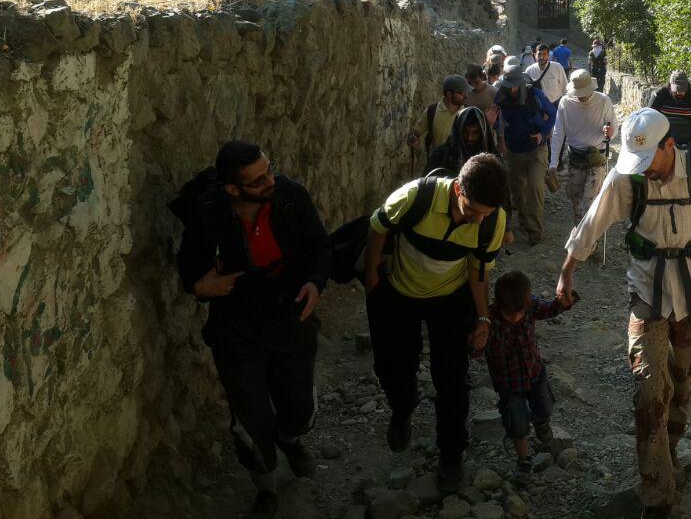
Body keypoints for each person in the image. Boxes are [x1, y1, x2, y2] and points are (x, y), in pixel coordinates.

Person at [556, 109, 691, 519]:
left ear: (670, 145)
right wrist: (567, 272)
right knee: (649, 388)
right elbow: (592, 223)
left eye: (650, 160)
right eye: (639, 162)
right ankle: (657, 495)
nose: (645, 169)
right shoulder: (627, 177)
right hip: (647, 290)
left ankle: (668, 453)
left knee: (682, 382)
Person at [172, 141, 331, 517]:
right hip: (237, 327)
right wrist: (200, 286)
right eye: (258, 180)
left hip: (291, 317)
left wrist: (314, 283)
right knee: (249, 417)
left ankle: (289, 438)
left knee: (299, 408)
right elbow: (189, 268)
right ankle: (266, 487)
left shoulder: (290, 197)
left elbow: (319, 246)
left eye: (269, 170)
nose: (270, 181)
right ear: (232, 189)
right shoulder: (210, 213)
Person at [364, 154, 509, 492]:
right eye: (472, 211)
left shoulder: (492, 221)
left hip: (450, 299)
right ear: (458, 189)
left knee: (453, 381)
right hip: (400, 295)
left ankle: (451, 453)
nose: (477, 220)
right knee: (393, 367)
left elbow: (478, 270)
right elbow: (377, 226)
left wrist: (483, 318)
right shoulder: (415, 197)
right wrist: (372, 280)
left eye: (485, 214)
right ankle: (402, 408)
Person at [483, 270, 577, 483]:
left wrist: (563, 302)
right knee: (516, 422)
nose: (515, 318)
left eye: (520, 313)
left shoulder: (531, 306)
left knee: (545, 407)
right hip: (508, 383)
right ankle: (524, 460)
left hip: (535, 372)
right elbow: (477, 348)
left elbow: (548, 309)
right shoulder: (490, 321)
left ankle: (541, 424)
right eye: (509, 314)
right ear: (498, 305)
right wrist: (476, 343)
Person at [495, 63, 557, 245]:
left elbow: (553, 113)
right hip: (514, 151)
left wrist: (543, 133)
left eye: (515, 86)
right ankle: (523, 223)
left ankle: (535, 231)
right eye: (509, 86)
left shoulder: (535, 95)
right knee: (518, 191)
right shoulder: (501, 97)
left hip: (536, 150)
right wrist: (501, 142)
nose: (512, 89)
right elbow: (500, 121)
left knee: (535, 188)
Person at [549, 69, 616, 224]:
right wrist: (553, 163)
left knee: (591, 201)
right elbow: (558, 133)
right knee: (576, 199)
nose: (582, 96)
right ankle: (579, 230)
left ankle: (589, 234)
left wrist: (610, 132)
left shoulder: (603, 101)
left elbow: (613, 128)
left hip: (596, 157)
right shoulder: (565, 103)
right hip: (575, 158)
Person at [409, 75, 471, 160]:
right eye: (462, 93)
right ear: (449, 94)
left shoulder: (468, 113)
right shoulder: (431, 111)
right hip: (437, 162)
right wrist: (413, 139)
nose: (465, 96)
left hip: (461, 162)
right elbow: (415, 133)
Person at [427, 105, 497, 173]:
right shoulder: (441, 155)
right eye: (465, 132)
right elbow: (428, 179)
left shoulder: (491, 158)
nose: (470, 138)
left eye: (475, 133)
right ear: (458, 131)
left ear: (481, 133)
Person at [650, 70, 691, 151]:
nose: (679, 93)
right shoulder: (659, 95)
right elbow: (649, 118)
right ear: (670, 86)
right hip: (663, 135)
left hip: (685, 137)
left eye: (682, 90)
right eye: (676, 89)